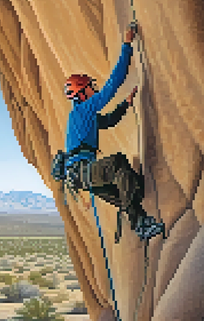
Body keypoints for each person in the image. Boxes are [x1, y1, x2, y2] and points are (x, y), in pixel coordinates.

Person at [54, 23, 164, 243]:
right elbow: (111, 86)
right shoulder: (84, 109)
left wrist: (126, 104)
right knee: (117, 164)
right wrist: (127, 45)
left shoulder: (83, 118)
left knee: (132, 190)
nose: (93, 90)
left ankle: (141, 223)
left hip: (83, 177)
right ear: (82, 92)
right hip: (85, 172)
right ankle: (139, 224)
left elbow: (109, 120)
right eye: (89, 88)